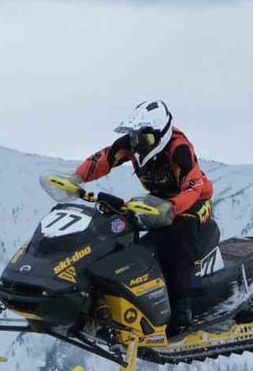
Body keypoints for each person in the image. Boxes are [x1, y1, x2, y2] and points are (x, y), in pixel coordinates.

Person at [72, 100, 214, 337]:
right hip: (157, 201)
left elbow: (192, 188)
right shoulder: (132, 144)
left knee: (181, 236)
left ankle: (185, 308)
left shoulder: (179, 149)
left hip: (193, 201)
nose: (138, 143)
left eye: (145, 138)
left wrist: (171, 208)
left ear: (161, 134)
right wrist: (75, 178)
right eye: (135, 136)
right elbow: (104, 159)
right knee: (126, 234)